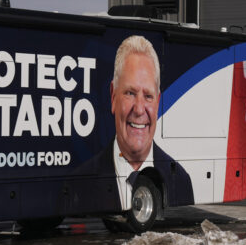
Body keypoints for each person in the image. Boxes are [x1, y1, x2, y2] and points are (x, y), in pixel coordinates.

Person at [79, 35, 193, 205]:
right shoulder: (81, 183)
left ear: (158, 102)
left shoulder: (181, 181)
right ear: (113, 96)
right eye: (130, 93)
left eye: (148, 96)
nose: (139, 110)